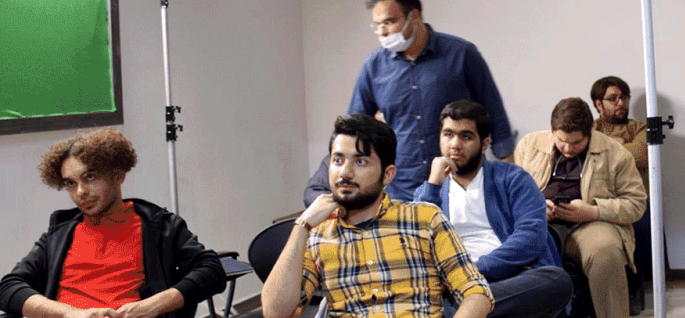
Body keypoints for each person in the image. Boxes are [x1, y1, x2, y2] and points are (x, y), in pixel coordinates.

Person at [263, 115, 493, 318]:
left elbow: (476, 292)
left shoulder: (425, 219)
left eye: (360, 161)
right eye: (338, 160)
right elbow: (275, 312)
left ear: (387, 175)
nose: (345, 172)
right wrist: (301, 226)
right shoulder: (317, 235)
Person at [305, 0, 513, 204]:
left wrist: (508, 176)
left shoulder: (461, 54)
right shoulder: (374, 66)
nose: (382, 32)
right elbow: (353, 129)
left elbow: (493, 110)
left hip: (460, 184)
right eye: (377, 25)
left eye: (389, 22)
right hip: (402, 188)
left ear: (414, 16)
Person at [0, 129, 226, 318]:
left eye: (90, 177)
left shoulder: (159, 227)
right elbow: (8, 287)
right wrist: (70, 313)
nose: (80, 192)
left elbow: (212, 271)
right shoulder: (60, 233)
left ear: (118, 175)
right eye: (70, 183)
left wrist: (153, 305)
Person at [413, 100, 572, 318]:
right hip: (458, 286)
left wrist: (472, 271)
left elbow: (531, 237)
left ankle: (462, 311)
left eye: (466, 137)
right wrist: (432, 184)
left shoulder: (513, 178)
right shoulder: (430, 190)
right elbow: (417, 246)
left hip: (511, 279)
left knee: (557, 281)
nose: (455, 145)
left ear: (484, 144)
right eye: (448, 135)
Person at [512, 98, 646, 318]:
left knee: (605, 253)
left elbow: (637, 203)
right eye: (561, 141)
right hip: (540, 224)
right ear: (552, 131)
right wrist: (535, 208)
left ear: (589, 133)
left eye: (576, 143)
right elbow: (511, 195)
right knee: (517, 252)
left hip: (592, 224)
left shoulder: (616, 153)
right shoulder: (529, 145)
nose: (567, 148)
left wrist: (594, 211)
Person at [590, 76, 653, 313]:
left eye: (624, 97)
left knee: (639, 225)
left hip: (634, 199)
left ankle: (635, 290)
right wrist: (618, 143)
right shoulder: (589, 129)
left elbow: (641, 154)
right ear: (598, 104)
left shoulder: (641, 128)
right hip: (599, 199)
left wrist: (606, 146)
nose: (621, 103)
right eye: (613, 98)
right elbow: (585, 154)